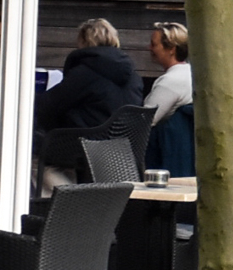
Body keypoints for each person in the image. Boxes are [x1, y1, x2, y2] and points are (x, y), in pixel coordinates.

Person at [35, 18, 145, 186]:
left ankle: (62, 203)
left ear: (84, 41)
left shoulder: (85, 73)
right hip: (122, 150)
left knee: (33, 153)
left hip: (83, 146)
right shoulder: (134, 76)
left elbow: (47, 105)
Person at [145, 23, 192, 124]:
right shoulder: (190, 73)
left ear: (171, 49)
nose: (150, 48)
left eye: (154, 44)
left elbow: (145, 122)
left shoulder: (170, 82)